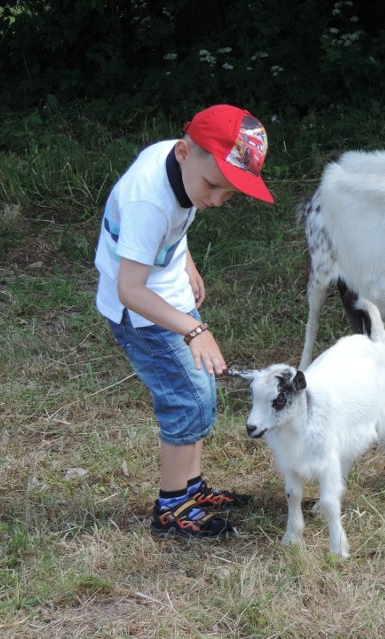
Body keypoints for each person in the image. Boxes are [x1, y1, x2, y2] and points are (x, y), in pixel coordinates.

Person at [94, 104, 274, 539]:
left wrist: (185, 261)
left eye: (229, 193)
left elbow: (175, 223)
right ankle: (172, 508)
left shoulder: (181, 165)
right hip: (140, 312)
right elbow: (130, 289)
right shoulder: (147, 199)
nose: (215, 200)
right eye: (214, 185)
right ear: (183, 152)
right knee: (187, 400)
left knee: (200, 389)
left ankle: (192, 491)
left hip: (165, 293)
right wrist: (195, 328)